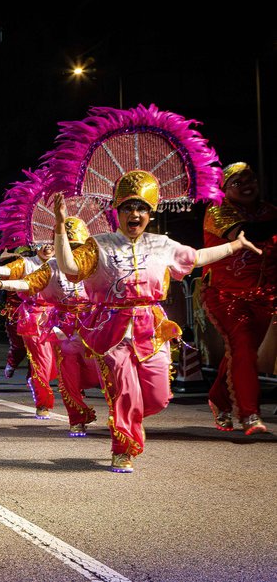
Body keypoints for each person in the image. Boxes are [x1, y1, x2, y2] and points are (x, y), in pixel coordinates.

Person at [51, 173, 261, 473]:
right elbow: (70, 268)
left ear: (150, 213)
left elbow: (197, 257)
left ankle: (129, 417)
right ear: (118, 211)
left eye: (141, 208)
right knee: (124, 389)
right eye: (127, 208)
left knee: (158, 396)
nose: (134, 214)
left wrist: (234, 246)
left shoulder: (161, 244)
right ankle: (123, 448)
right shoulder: (98, 245)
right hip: (112, 328)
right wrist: (60, 229)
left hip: (151, 327)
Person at [0, 217, 101, 435]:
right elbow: (18, 279)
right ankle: (61, 409)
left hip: (92, 324)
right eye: (66, 246)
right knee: (52, 365)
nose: (50, 248)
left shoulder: (95, 265)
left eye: (76, 247)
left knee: (97, 369)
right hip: (49, 322)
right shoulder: (40, 265)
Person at [201, 162, 276, 434]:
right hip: (224, 295)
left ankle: (218, 398)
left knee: (242, 352)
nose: (247, 185)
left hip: (263, 297)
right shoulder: (218, 211)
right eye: (238, 182)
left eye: (251, 179)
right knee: (242, 345)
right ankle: (249, 414)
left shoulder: (269, 212)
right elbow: (246, 234)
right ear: (224, 189)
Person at [0, 245, 57, 417]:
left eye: (50, 242)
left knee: (66, 364)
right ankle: (43, 402)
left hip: (64, 319)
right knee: (40, 362)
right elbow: (7, 272)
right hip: (35, 318)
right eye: (41, 242)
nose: (47, 247)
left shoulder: (63, 263)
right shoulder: (26, 263)